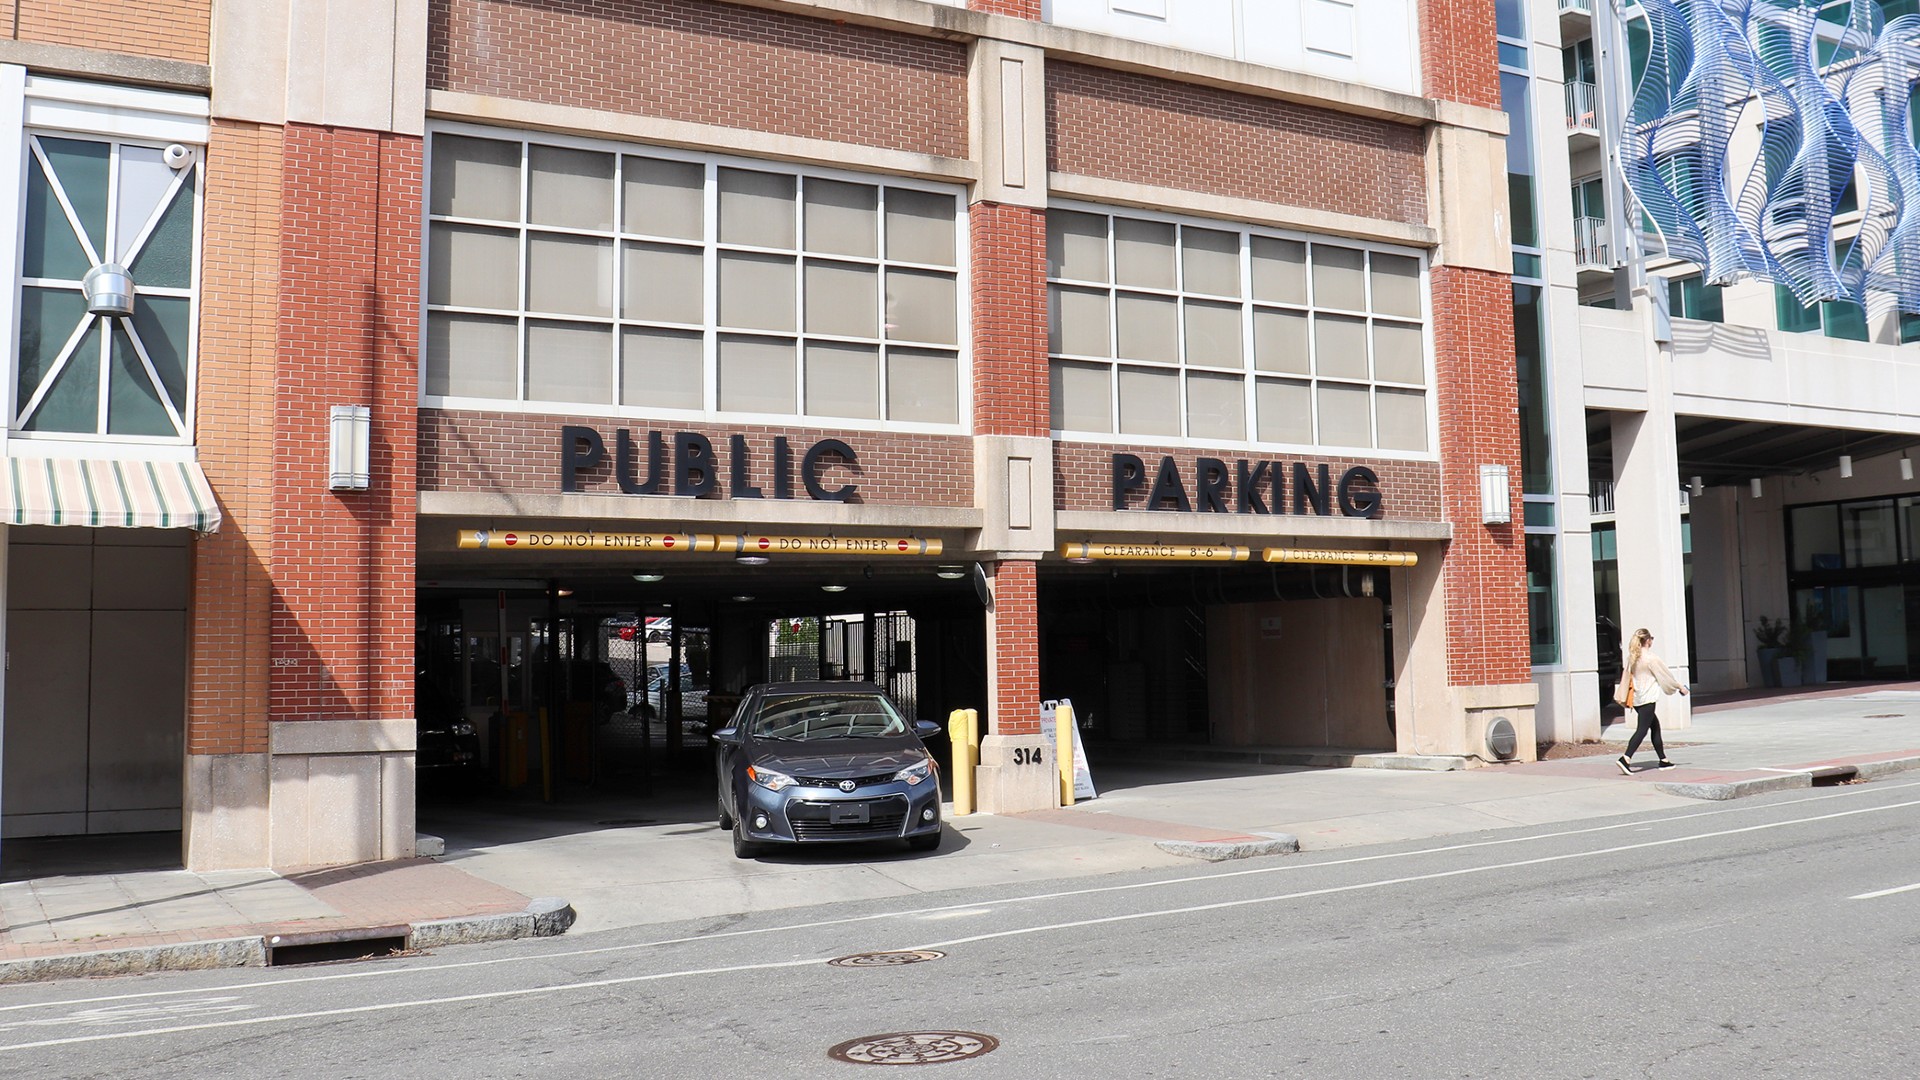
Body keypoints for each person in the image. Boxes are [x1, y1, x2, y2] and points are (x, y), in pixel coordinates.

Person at [1617, 627, 1688, 773]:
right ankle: (1625, 758)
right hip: (1648, 698)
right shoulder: (1651, 658)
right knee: (1642, 730)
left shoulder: (1632, 657)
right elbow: (1665, 676)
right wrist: (1680, 687)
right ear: (1648, 641)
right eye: (1652, 639)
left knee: (1655, 727)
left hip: (1636, 698)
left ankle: (1663, 760)